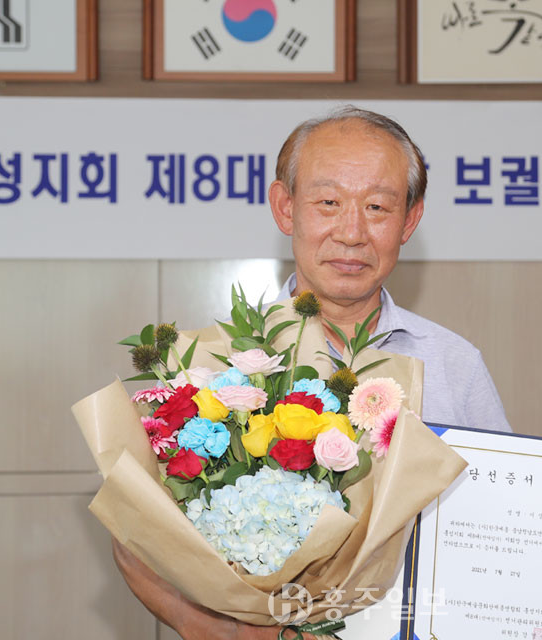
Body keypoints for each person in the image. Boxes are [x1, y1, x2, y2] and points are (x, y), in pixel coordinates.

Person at [113, 106, 511, 639]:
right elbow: (137, 534)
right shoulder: (211, 365)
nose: (352, 232)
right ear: (285, 208)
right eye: (328, 203)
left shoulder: (453, 364)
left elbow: (503, 523)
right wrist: (219, 631)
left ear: (410, 220)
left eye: (377, 206)